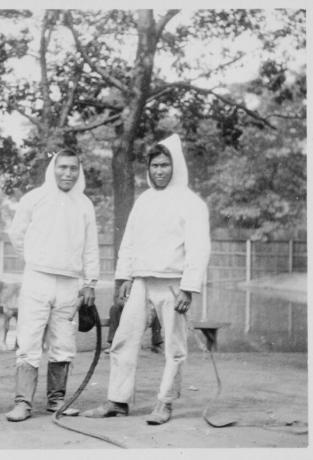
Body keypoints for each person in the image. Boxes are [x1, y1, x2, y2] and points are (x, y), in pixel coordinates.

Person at [82, 133, 211, 425]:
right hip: (141, 281)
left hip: (173, 283)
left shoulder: (191, 203)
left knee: (174, 346)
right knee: (124, 339)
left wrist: (188, 288)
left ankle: (164, 403)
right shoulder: (144, 200)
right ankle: (117, 400)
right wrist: (124, 276)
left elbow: (199, 248)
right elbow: (130, 240)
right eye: (154, 166)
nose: (159, 171)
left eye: (165, 165)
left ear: (175, 166)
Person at [5, 149, 100, 422]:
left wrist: (89, 282)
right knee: (29, 339)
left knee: (63, 341)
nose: (68, 173)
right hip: (37, 278)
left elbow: (91, 247)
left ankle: (56, 400)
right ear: (53, 168)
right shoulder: (34, 199)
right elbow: (17, 235)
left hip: (70, 283)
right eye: (63, 167)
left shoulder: (84, 204)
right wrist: (36, 258)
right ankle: (23, 402)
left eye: (73, 168)